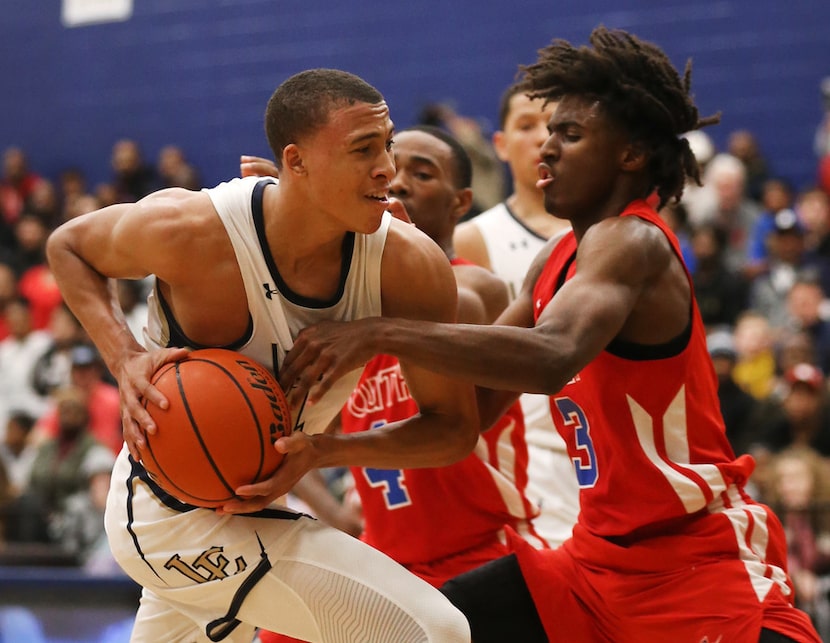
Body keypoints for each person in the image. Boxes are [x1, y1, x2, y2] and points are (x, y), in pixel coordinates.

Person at [277, 28, 821, 642]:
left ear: (631, 154)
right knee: (425, 628)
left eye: (569, 134)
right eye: (546, 133)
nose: (548, 150)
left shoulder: (632, 240)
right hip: (596, 563)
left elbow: (551, 358)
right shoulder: (556, 259)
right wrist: (328, 447)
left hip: (693, 555)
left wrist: (382, 331)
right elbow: (467, 421)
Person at [46, 68, 475, 643]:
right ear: (295, 162)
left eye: (388, 144)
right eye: (363, 149)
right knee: (433, 631)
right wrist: (123, 357)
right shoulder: (193, 229)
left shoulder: (411, 267)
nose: (387, 169)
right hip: (166, 509)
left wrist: (323, 450)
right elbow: (68, 246)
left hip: (250, 506)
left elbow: (452, 429)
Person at [258, 124, 548, 643]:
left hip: (483, 551)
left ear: (460, 202)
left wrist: (396, 251)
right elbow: (285, 428)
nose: (401, 180)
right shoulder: (345, 307)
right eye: (394, 166)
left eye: (423, 172)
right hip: (385, 557)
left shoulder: (475, 286)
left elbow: (451, 305)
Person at [452, 81, 579, 547]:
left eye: (553, 123)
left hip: (605, 443)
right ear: (501, 146)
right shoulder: (475, 237)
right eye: (526, 125)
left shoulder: (608, 234)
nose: (542, 138)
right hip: (532, 451)